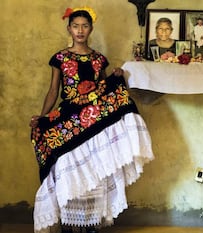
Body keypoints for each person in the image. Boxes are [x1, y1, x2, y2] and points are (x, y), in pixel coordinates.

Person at [29, 9, 154, 233]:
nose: (80, 30)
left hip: (94, 123)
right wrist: (42, 116)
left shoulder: (99, 59)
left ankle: (91, 224)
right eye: (75, 26)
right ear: (69, 29)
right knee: (68, 169)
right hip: (70, 119)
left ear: (91, 29)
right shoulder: (60, 58)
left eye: (84, 26)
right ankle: (69, 223)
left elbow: (104, 92)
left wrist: (116, 77)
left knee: (94, 169)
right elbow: (53, 91)